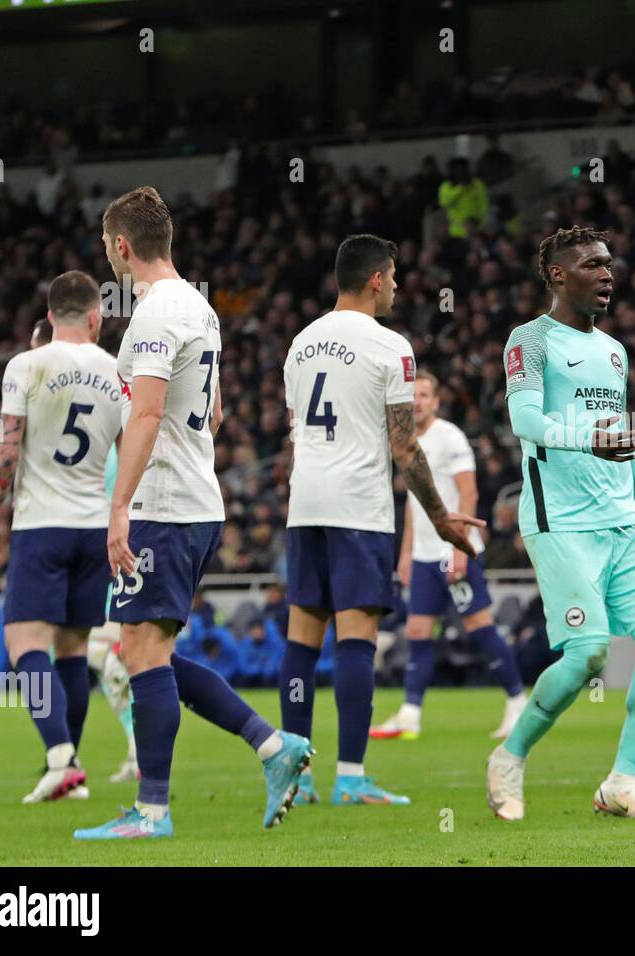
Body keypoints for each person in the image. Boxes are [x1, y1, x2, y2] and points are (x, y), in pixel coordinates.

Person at [75, 187, 312, 841]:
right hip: (195, 500)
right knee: (143, 651)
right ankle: (272, 747)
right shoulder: (200, 309)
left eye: (107, 247)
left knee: (141, 654)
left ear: (121, 247)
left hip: (163, 503)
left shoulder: (155, 315)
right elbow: (212, 412)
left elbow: (149, 414)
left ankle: (151, 811)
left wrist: (118, 507)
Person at [486, 226, 635, 821]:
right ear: (557, 275)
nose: (607, 274)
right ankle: (509, 756)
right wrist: (589, 441)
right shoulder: (530, 340)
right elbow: (525, 421)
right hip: (561, 522)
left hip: (622, 519)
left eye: (609, 264)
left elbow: (623, 443)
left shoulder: (617, 350)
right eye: (593, 265)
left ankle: (622, 782)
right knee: (590, 654)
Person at [279, 234, 482, 807]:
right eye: (392, 277)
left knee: (301, 641)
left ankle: (292, 772)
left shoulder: (300, 343)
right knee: (356, 641)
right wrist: (440, 518)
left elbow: (297, 429)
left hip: (305, 503)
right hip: (357, 508)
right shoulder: (391, 346)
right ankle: (349, 776)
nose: (396, 287)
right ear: (375, 279)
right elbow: (404, 446)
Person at [0, 270, 122, 804]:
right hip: (94, 527)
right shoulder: (117, 371)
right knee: (74, 649)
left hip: (42, 524)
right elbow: (132, 453)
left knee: (23, 645)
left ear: (51, 313)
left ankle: (60, 759)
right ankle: (70, 767)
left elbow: (8, 449)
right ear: (93, 317)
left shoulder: (26, 365)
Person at [371, 369, 525, 742]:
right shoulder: (404, 440)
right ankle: (410, 714)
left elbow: (468, 495)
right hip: (423, 556)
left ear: (436, 402)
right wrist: (405, 553)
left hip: (453, 551)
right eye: (414, 396)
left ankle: (518, 700)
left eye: (425, 395)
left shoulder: (450, 437)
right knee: (418, 630)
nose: (418, 402)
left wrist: (461, 546)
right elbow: (413, 503)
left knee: (479, 627)